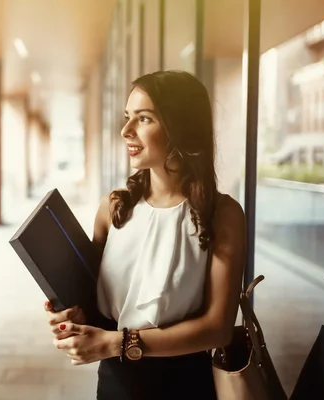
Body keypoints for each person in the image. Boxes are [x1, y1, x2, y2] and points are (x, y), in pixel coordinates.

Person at [44, 70, 246, 399]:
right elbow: (100, 310)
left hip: (186, 388)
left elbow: (218, 328)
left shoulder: (223, 215)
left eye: (144, 118)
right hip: (114, 386)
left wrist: (118, 343)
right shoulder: (112, 209)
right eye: (127, 118)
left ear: (180, 127)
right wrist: (74, 318)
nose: (126, 131)